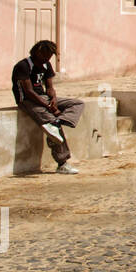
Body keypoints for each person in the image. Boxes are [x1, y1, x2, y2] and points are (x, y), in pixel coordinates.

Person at [13, 40, 85, 174]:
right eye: (44, 56)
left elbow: (50, 87)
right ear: (36, 53)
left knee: (77, 103)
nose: (46, 60)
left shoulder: (46, 65)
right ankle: (62, 163)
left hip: (43, 98)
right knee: (53, 126)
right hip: (28, 101)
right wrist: (47, 106)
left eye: (48, 57)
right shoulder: (23, 66)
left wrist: (53, 100)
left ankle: (62, 120)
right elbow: (28, 91)